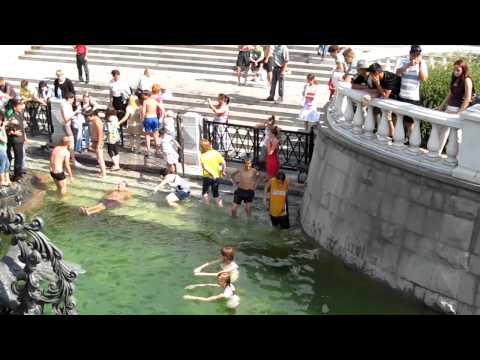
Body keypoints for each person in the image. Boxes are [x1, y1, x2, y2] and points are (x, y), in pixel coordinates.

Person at [437, 59, 475, 154]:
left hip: (458, 110)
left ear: (464, 69)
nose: (455, 72)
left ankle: (458, 158)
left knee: (456, 136)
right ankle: (437, 153)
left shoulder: (467, 80)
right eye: (454, 69)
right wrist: (441, 106)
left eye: (458, 70)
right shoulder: (455, 79)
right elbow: (450, 94)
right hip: (449, 109)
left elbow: (467, 98)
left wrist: (460, 113)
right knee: (442, 132)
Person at [395, 45, 428, 142]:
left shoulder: (422, 63)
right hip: (402, 96)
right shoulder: (403, 60)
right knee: (400, 120)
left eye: (418, 54)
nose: (415, 55)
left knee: (410, 123)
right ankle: (401, 140)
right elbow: (397, 72)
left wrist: (420, 63)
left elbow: (423, 78)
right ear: (410, 53)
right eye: (414, 53)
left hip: (413, 97)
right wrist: (408, 64)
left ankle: (410, 142)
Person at [200, 139, 226, 208]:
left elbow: (205, 167)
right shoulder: (215, 152)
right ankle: (220, 207)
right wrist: (223, 171)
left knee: (205, 193)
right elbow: (223, 163)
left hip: (207, 177)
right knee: (216, 193)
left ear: (202, 147)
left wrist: (212, 174)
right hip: (216, 177)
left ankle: (207, 208)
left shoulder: (203, 155)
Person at [6, 98, 27, 182]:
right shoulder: (12, 116)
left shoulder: (20, 114)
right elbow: (6, 127)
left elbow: (22, 127)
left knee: (20, 157)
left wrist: (25, 137)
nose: (21, 107)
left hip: (21, 139)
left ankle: (18, 173)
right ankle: (16, 176)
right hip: (16, 140)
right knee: (18, 157)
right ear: (15, 107)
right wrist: (13, 132)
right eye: (20, 105)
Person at [109, 69, 132, 146]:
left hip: (122, 101)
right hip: (115, 101)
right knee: (116, 118)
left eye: (117, 76)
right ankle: (118, 136)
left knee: (122, 118)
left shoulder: (123, 82)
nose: (116, 77)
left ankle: (123, 137)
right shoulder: (111, 82)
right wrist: (110, 102)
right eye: (115, 76)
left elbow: (129, 93)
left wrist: (126, 99)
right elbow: (111, 93)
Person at [60, 92, 81, 167]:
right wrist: (75, 112)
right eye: (73, 99)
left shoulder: (68, 105)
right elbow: (66, 118)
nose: (73, 100)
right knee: (71, 144)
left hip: (68, 125)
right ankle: (73, 161)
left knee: (67, 144)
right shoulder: (65, 105)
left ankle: (65, 160)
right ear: (69, 98)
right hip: (66, 126)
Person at [86, 110, 107, 178]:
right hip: (95, 140)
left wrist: (98, 145)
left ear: (92, 116)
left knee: (100, 158)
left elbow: (101, 134)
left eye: (88, 117)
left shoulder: (97, 122)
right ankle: (101, 172)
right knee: (98, 158)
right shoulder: (94, 121)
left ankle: (104, 174)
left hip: (98, 141)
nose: (87, 119)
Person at [142, 90, 161, 157]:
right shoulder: (154, 101)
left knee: (147, 135)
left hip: (148, 118)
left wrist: (142, 119)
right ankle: (158, 150)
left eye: (143, 95)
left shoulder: (145, 101)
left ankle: (148, 150)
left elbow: (143, 112)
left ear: (147, 95)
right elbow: (162, 108)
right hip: (155, 118)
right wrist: (161, 117)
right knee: (155, 135)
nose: (142, 96)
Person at [0, 114, 11, 187]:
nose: (1, 121)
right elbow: (5, 140)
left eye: (1, 120)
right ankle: (2, 181)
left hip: (4, 149)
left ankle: (7, 179)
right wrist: (3, 128)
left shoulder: (1, 129)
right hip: (0, 150)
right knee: (2, 165)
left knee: (7, 164)